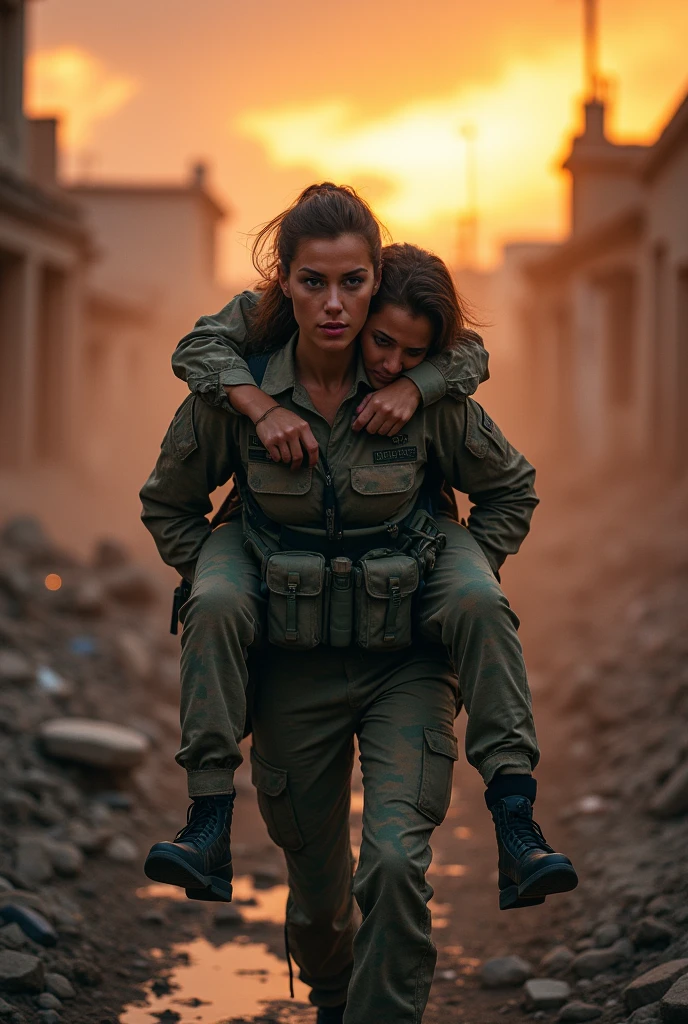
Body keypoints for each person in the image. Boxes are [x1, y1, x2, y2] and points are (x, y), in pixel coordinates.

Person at [140, 183, 577, 1024]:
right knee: (315, 898)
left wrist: (443, 584)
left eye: (353, 284)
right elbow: (169, 504)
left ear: (380, 277)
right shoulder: (232, 392)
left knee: (394, 864)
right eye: (313, 284)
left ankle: (505, 837)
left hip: (402, 669)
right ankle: (322, 980)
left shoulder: (425, 393)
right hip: (289, 673)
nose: (335, 306)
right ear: (285, 285)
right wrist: (242, 589)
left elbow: (509, 490)